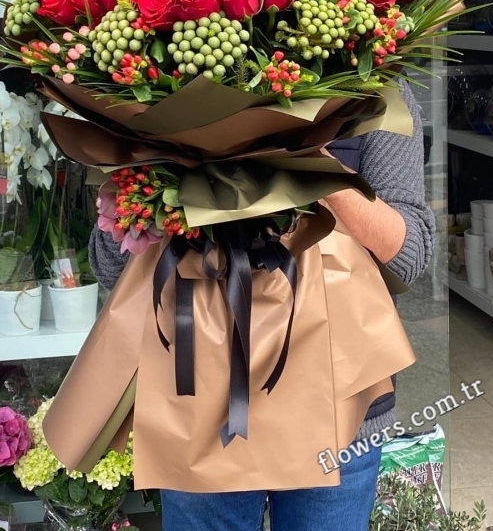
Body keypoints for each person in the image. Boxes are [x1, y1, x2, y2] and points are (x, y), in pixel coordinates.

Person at [89, 79, 435, 531]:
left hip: (338, 408)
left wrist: (302, 157)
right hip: (201, 405)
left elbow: (407, 257)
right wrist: (152, 180)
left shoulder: (378, 94)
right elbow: (110, 269)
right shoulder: (162, 87)